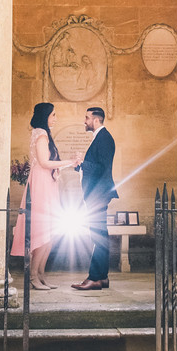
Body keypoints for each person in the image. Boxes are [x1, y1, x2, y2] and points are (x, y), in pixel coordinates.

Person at [11, 102, 77, 290]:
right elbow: (44, 162)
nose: (56, 118)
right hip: (40, 184)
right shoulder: (40, 134)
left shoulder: (43, 134)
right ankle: (32, 276)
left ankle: (41, 275)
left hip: (47, 183)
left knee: (51, 233)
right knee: (43, 232)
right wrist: (69, 162)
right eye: (54, 115)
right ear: (45, 115)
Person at [72, 106, 117, 291]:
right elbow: (95, 166)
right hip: (95, 194)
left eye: (87, 118)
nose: (85, 121)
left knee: (98, 237)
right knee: (100, 236)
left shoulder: (105, 138)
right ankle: (103, 278)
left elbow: (102, 168)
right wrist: (81, 166)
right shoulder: (100, 137)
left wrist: (84, 162)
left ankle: (94, 278)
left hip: (98, 194)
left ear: (96, 120)